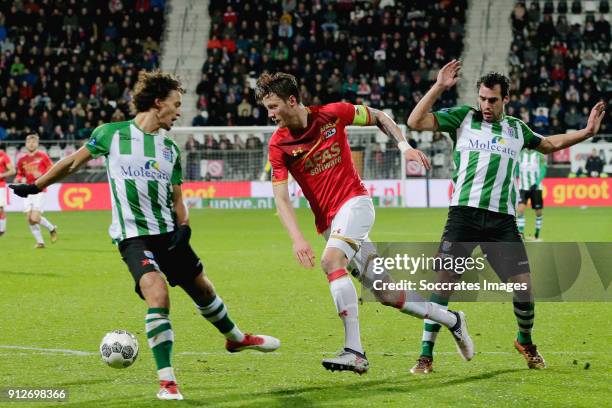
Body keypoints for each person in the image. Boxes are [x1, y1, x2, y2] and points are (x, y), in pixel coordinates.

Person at [10, 70, 280, 400]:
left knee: (203, 289)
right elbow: (72, 163)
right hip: (132, 236)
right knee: (157, 292)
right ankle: (167, 381)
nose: (179, 111)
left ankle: (236, 337)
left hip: (168, 232)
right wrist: (36, 185)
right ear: (157, 103)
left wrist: (184, 228)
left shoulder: (169, 149)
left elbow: (178, 199)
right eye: (176, 104)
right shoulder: (111, 134)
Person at [257, 72, 474, 375]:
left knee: (331, 261)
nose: (270, 114)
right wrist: (298, 238)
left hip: (355, 204)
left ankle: (354, 351)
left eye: (274, 106)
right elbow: (281, 198)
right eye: (267, 108)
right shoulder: (278, 145)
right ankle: (453, 320)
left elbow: (380, 117)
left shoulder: (333, 114)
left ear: (292, 100)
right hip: (329, 224)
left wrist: (404, 147)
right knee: (388, 294)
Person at [407, 59, 606, 374]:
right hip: (463, 215)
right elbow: (415, 122)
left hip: (502, 221)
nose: (486, 105)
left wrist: (587, 131)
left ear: (505, 100)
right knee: (443, 284)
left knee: (524, 286)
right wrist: (439, 87)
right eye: (483, 98)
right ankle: (425, 354)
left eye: (493, 100)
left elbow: (551, 144)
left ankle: (524, 341)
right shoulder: (463, 118)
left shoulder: (516, 129)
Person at [14, 134, 58, 248]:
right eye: (29, 142)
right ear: (25, 144)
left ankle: (51, 228)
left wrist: (42, 174)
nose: (31, 144)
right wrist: (19, 178)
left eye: (33, 142)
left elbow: (52, 170)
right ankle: (40, 242)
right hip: (27, 190)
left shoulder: (43, 156)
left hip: (39, 189)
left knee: (35, 218)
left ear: (37, 144)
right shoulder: (22, 160)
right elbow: (19, 174)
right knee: (29, 218)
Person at [517, 149, 547, 240]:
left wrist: (536, 183)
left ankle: (537, 233)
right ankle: (521, 234)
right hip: (523, 187)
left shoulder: (539, 155)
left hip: (536, 188)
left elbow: (543, 170)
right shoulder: (520, 154)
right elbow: (517, 170)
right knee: (520, 210)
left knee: (538, 212)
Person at [0, 145, 16, 235]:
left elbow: (12, 170)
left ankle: (2, 229)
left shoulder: (3, 155)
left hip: (0, 186)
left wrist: (1, 175)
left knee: (0, 209)